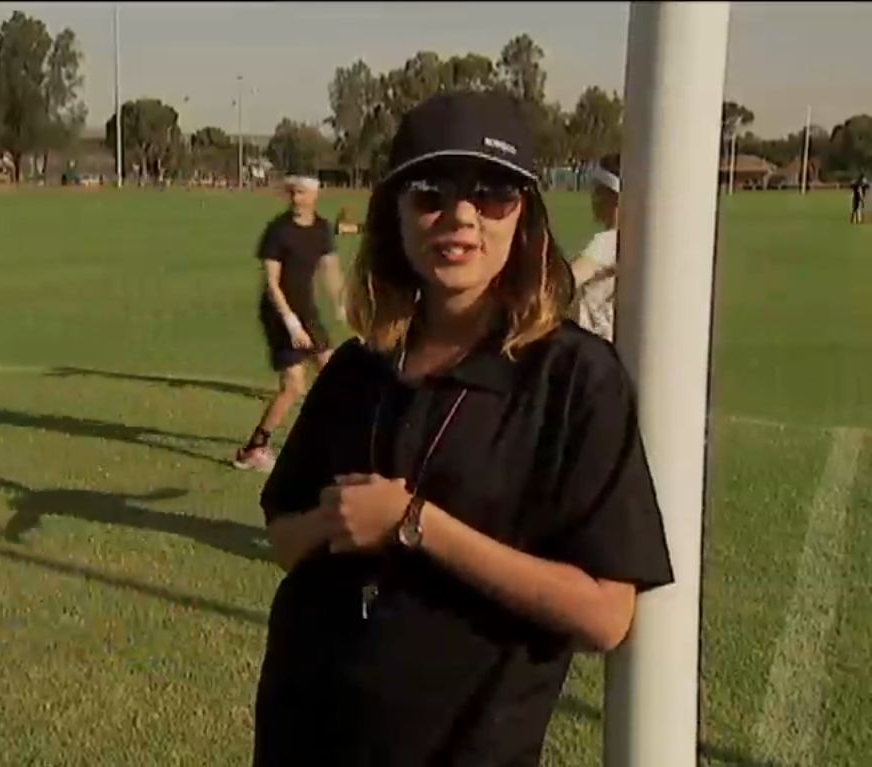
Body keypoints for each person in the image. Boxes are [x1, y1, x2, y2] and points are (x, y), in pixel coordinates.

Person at [252, 91, 674, 766]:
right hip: (303, 734)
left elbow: (604, 614)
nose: (461, 216)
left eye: (492, 193)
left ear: (524, 215)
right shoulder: (359, 366)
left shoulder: (573, 377)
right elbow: (284, 536)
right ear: (394, 214)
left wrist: (415, 523)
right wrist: (338, 518)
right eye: (430, 193)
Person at [234, 173, 346, 472]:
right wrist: (291, 323)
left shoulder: (322, 229)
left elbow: (331, 271)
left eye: (301, 193)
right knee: (294, 387)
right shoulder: (278, 230)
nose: (296, 198)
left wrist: (342, 304)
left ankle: (333, 441)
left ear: (315, 195)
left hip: (307, 312)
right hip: (279, 314)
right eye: (292, 193)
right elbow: (272, 284)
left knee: (335, 376)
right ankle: (253, 450)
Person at [571, 153, 621, 341]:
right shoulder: (635, 241)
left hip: (594, 343)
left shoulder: (607, 242)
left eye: (598, 191)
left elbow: (570, 280)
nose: (594, 198)